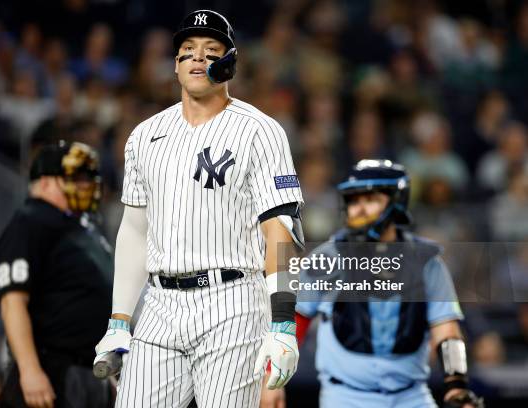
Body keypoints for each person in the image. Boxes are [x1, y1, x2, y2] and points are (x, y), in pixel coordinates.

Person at [94, 9, 305, 408]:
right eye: (187, 50)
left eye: (211, 50)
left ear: (229, 64)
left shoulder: (260, 130)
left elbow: (281, 227)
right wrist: (119, 317)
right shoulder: (144, 136)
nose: (197, 58)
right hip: (160, 303)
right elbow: (136, 230)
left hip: (234, 301)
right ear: (174, 66)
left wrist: (282, 321)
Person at [261, 159, 484, 408]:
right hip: (346, 397)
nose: (359, 209)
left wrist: (457, 388)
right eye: (354, 201)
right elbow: (297, 319)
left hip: (411, 396)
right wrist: (273, 378)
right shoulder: (328, 257)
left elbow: (447, 333)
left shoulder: (427, 262)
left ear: (397, 201)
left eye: (370, 199)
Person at [0, 141, 113, 408]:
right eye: (77, 177)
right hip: (53, 370)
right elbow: (12, 302)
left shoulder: (83, 228)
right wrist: (29, 370)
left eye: (88, 177)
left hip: (89, 372)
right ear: (46, 182)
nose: (88, 184)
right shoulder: (31, 220)